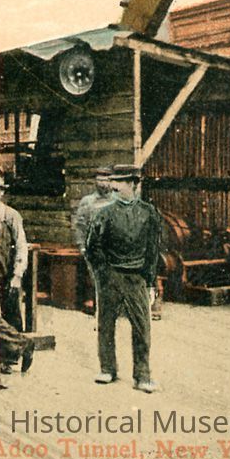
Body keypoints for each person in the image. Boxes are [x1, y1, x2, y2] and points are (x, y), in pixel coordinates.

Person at [85, 163, 161, 393]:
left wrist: (149, 282)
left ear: (133, 184)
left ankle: (142, 376)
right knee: (106, 323)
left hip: (137, 277)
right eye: (113, 181)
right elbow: (92, 247)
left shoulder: (149, 213)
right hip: (110, 277)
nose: (114, 186)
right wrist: (103, 273)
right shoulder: (104, 214)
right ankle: (107, 368)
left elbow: (153, 250)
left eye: (119, 182)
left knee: (142, 326)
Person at [0, 171, 35, 375]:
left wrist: (18, 274)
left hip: (7, 272)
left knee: (12, 315)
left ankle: (9, 360)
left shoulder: (11, 215)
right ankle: (23, 344)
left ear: (2, 192)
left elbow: (21, 245)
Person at [72, 166, 115, 312]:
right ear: (95, 182)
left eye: (106, 180)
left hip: (114, 248)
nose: (103, 184)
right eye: (100, 180)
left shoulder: (118, 200)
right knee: (97, 279)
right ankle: (100, 311)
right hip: (94, 248)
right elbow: (80, 225)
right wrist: (82, 246)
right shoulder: (87, 201)